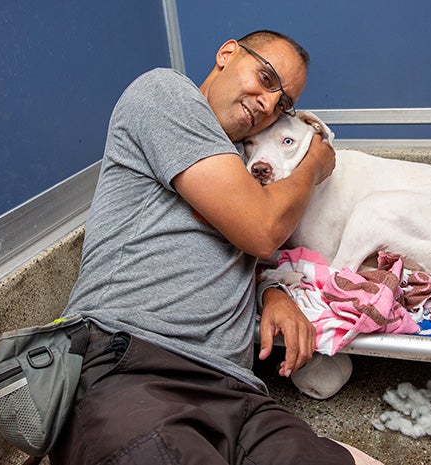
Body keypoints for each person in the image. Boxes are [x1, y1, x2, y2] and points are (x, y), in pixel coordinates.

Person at [50, 30, 383, 465]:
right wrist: (313, 165)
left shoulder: (243, 168)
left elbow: (224, 253)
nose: (267, 103)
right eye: (265, 77)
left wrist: (271, 290)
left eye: (283, 104)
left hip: (236, 395)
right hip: (133, 366)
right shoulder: (164, 94)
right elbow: (262, 230)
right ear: (227, 54)